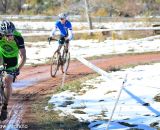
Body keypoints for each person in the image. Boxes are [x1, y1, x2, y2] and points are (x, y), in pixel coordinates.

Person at [0, 20, 26, 121]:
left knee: (8, 80)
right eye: (6, 35)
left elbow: (23, 56)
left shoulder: (18, 37)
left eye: (10, 34)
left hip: (12, 60)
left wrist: (17, 69)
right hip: (1, 56)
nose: (9, 37)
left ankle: (5, 107)